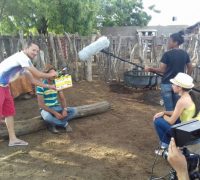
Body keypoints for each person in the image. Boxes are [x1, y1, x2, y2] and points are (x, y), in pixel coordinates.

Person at [0, 41, 57, 147]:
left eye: (37, 51)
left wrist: (50, 86)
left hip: (4, 86)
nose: (35, 53)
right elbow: (38, 73)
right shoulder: (22, 57)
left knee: (9, 113)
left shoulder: (24, 64)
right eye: (33, 50)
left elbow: (33, 80)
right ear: (25, 49)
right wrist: (51, 74)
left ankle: (12, 139)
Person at [153, 73, 200, 153]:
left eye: (173, 84)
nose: (172, 85)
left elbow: (171, 121)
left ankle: (165, 148)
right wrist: (164, 112)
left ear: (180, 87)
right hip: (196, 131)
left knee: (158, 121)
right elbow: (176, 112)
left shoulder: (182, 101)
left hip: (188, 135)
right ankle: (169, 145)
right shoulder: (192, 95)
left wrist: (163, 115)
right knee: (170, 118)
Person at [145, 32, 193, 111]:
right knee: (177, 108)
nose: (168, 42)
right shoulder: (185, 54)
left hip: (166, 84)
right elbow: (190, 67)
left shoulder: (167, 54)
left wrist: (150, 69)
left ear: (176, 42)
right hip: (179, 85)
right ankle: (176, 122)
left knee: (169, 109)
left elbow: (162, 70)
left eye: (170, 41)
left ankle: (170, 122)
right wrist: (185, 80)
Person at [36, 64, 76, 134]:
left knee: (74, 111)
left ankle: (53, 124)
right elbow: (41, 105)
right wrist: (55, 113)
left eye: (54, 73)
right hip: (46, 109)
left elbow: (62, 98)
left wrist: (64, 109)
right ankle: (64, 124)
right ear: (46, 74)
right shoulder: (40, 86)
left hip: (56, 106)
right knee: (47, 117)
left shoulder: (57, 83)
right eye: (51, 73)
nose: (54, 75)